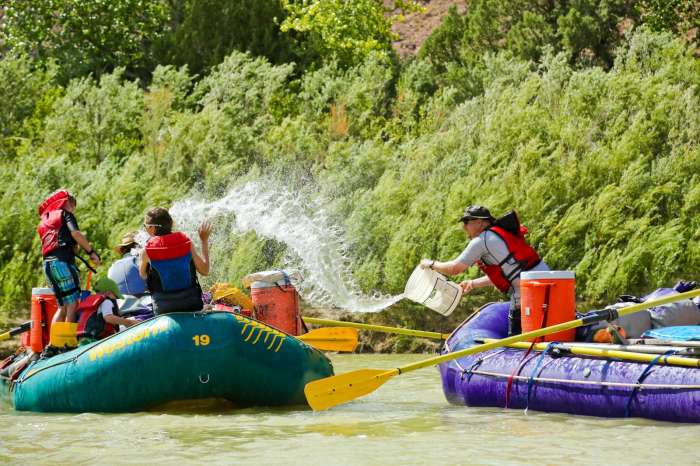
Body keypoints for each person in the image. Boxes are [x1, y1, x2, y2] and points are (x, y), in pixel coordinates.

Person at [420, 205, 549, 336]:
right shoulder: (497, 234)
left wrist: (431, 263)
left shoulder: (481, 241)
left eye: (467, 222)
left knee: (516, 341)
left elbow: (454, 268)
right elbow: (509, 272)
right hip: (547, 284)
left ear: (479, 222)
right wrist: (473, 283)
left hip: (527, 294)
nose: (464, 227)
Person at [37, 189, 101, 336]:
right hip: (62, 264)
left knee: (62, 307)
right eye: (73, 206)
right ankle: (67, 341)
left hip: (48, 265)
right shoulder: (65, 214)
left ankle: (53, 344)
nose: (73, 210)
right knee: (72, 304)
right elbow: (76, 234)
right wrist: (91, 252)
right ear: (68, 203)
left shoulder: (45, 222)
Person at [138, 207, 212, 314]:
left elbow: (143, 275)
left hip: (164, 308)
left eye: (145, 226)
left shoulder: (146, 251)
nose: (145, 229)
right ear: (170, 224)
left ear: (152, 228)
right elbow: (205, 271)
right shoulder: (187, 243)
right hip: (192, 303)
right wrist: (204, 240)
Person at [76, 277, 137, 343]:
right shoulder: (107, 301)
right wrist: (129, 322)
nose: (115, 299)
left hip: (83, 338)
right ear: (108, 293)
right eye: (115, 296)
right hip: (94, 340)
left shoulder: (92, 302)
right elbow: (108, 318)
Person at [108, 231, 147, 297]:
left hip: (121, 304)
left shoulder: (111, 268)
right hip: (144, 301)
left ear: (123, 251)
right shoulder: (139, 261)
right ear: (137, 246)